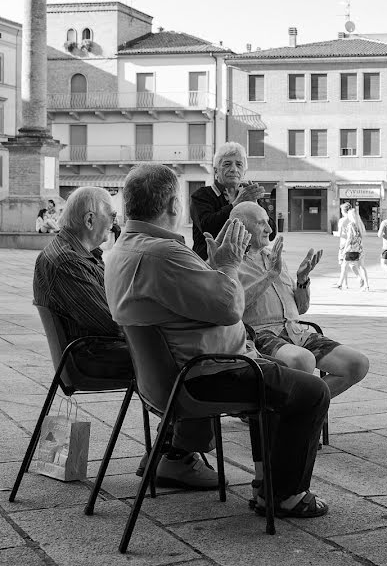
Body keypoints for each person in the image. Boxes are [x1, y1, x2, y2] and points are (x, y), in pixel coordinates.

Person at [105, 163, 331, 518]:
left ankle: (263, 485)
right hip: (203, 376)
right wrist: (226, 265)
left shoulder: (123, 249)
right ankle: (285, 495)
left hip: (171, 377)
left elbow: (194, 303)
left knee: (274, 374)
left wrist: (212, 268)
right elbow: (229, 308)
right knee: (312, 392)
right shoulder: (162, 254)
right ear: (172, 206)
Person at [34, 186, 220, 489]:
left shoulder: (78, 253)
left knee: (180, 348)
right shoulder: (66, 260)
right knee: (189, 357)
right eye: (112, 215)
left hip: (93, 349)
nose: (116, 222)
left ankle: (168, 450)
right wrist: (160, 325)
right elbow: (111, 322)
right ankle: (177, 455)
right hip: (89, 356)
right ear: (91, 219)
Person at [232, 202, 370, 398]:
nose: (269, 229)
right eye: (260, 224)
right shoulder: (231, 263)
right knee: (302, 360)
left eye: (268, 222)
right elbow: (233, 308)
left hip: (295, 331)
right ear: (241, 227)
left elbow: (301, 309)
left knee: (357, 364)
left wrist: (302, 281)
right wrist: (270, 276)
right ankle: (293, 413)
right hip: (259, 336)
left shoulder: (274, 256)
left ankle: (299, 408)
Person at [190, 142, 275, 261]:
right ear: (216, 170)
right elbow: (207, 227)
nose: (234, 169)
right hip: (210, 265)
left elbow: (271, 233)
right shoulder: (202, 195)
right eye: (227, 164)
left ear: (244, 172)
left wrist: (254, 205)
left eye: (239, 164)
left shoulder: (250, 196)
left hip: (245, 266)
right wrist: (237, 203)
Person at [336, 206, 371, 291]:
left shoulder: (350, 224)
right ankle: (366, 285)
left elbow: (349, 238)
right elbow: (363, 235)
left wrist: (344, 250)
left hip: (350, 248)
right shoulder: (360, 224)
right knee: (362, 267)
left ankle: (340, 284)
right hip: (359, 248)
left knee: (344, 265)